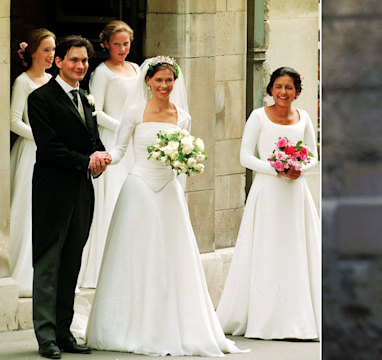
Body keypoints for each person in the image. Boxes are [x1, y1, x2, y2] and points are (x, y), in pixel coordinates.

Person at [86, 56, 247, 357]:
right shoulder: (134, 111)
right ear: (147, 81)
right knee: (137, 253)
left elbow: (182, 159)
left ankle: (171, 321)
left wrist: (187, 161)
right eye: (158, 80)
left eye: (168, 80)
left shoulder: (182, 116)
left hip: (168, 190)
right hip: (139, 187)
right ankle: (129, 325)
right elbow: (120, 151)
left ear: (175, 82)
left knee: (171, 255)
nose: (163, 85)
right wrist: (102, 158)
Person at [216, 67, 321, 340]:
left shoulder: (305, 117)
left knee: (295, 248)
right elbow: (244, 157)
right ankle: (264, 317)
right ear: (270, 89)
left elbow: (313, 155)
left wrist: (300, 168)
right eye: (278, 86)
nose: (283, 92)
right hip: (268, 192)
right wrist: (276, 168)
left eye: (289, 87)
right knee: (267, 247)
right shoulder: (258, 117)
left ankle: (298, 318)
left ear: (297, 91)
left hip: (294, 194)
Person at [28, 35, 111, 359]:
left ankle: (64, 332)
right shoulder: (41, 98)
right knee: (48, 265)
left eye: (85, 61)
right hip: (52, 192)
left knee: (71, 263)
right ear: (58, 61)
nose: (81, 66)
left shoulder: (85, 97)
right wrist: (85, 161)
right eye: (74, 60)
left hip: (81, 191)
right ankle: (46, 336)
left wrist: (100, 158)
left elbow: (93, 139)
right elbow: (49, 148)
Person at [77, 20, 139, 288]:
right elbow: (96, 111)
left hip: (136, 139)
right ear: (106, 44)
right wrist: (124, 127)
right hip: (114, 137)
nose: (122, 49)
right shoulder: (101, 72)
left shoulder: (137, 69)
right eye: (116, 44)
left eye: (126, 44)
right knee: (113, 197)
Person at [9, 28, 55, 298]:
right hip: (31, 151)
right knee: (27, 208)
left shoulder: (52, 80)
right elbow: (15, 120)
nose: (51, 55)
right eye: (46, 50)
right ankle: (21, 272)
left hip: (51, 152)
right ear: (33, 53)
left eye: (53, 50)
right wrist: (42, 136)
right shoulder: (23, 81)